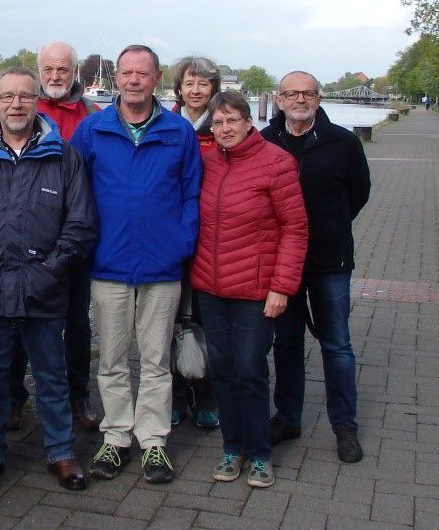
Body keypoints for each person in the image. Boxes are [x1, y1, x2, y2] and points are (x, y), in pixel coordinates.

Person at [0, 66, 98, 493]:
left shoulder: (63, 155)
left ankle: (61, 452)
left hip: (44, 288)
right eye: (7, 96)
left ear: (36, 102)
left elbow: (80, 222)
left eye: (25, 96)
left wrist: (50, 270)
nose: (16, 104)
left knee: (51, 374)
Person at [69, 44, 201, 484]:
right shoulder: (93, 130)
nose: (133, 81)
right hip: (108, 263)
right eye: (126, 73)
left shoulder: (179, 132)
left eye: (142, 73)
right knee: (110, 359)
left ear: (156, 77)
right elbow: (75, 191)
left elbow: (191, 194)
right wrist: (87, 244)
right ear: (117, 78)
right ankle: (116, 435)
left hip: (163, 266)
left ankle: (154, 441)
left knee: (155, 359)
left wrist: (181, 243)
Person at [192, 91, 307, 489]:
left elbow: (295, 229)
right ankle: (232, 447)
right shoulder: (206, 163)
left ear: (248, 122)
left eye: (231, 121)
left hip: (256, 288)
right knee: (221, 370)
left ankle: (259, 454)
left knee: (250, 370)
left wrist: (282, 287)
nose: (224, 129)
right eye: (217, 122)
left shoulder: (276, 163)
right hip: (210, 285)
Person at [261, 71, 371, 464]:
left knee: (337, 344)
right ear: (279, 100)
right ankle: (288, 417)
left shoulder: (342, 142)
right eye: (292, 93)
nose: (300, 100)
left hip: (329, 260)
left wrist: (331, 225)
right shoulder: (264, 142)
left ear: (319, 98)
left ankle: (344, 425)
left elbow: (359, 193)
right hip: (281, 264)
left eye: (307, 93)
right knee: (286, 343)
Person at [2, 41, 102, 434]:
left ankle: (77, 397)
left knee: (77, 323)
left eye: (63, 70)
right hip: (26, 239)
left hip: (75, 237)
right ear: (39, 71)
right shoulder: (23, 108)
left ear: (75, 72)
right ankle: (13, 398)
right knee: (17, 321)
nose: (56, 77)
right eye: (49, 70)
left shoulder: (93, 116)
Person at [167, 55, 222, 431]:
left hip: (212, 238)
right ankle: (173, 394)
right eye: (190, 83)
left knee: (205, 321)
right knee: (167, 320)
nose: (196, 90)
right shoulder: (167, 125)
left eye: (203, 83)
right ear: (179, 88)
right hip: (171, 236)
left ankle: (206, 395)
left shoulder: (222, 127)